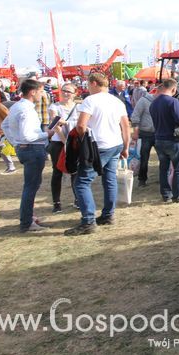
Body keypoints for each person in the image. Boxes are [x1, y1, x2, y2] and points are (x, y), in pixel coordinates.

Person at [65, 73, 129, 236]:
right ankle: (108, 214)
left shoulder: (90, 100)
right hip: (115, 143)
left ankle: (88, 221)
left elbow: (81, 125)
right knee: (109, 179)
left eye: (87, 84)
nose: (86, 87)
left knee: (82, 182)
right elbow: (126, 126)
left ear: (93, 83)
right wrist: (125, 146)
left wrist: (82, 141)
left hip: (98, 146)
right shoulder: (116, 101)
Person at [1, 79, 62, 232]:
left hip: (27, 148)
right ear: (33, 92)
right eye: (41, 91)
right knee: (31, 187)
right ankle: (27, 222)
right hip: (32, 149)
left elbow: (5, 125)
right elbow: (28, 136)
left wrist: (15, 142)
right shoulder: (26, 109)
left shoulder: (18, 106)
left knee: (30, 186)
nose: (43, 94)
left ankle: (28, 217)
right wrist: (47, 133)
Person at [150, 78, 179, 203]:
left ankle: (166, 195)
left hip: (158, 139)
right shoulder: (173, 102)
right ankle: (177, 195)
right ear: (174, 89)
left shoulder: (153, 103)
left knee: (164, 168)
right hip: (173, 140)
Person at [47, 83, 79, 213]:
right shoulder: (54, 106)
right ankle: (56, 202)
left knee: (75, 171)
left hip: (74, 142)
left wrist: (66, 123)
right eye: (64, 91)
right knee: (57, 171)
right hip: (58, 142)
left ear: (75, 94)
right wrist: (64, 141)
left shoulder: (78, 107)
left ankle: (77, 199)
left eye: (69, 91)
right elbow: (55, 124)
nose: (66, 93)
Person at [130, 84, 157, 187]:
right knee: (144, 158)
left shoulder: (163, 101)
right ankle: (142, 180)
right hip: (145, 134)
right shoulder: (143, 101)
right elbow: (135, 116)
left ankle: (166, 178)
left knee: (164, 158)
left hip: (158, 133)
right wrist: (135, 132)